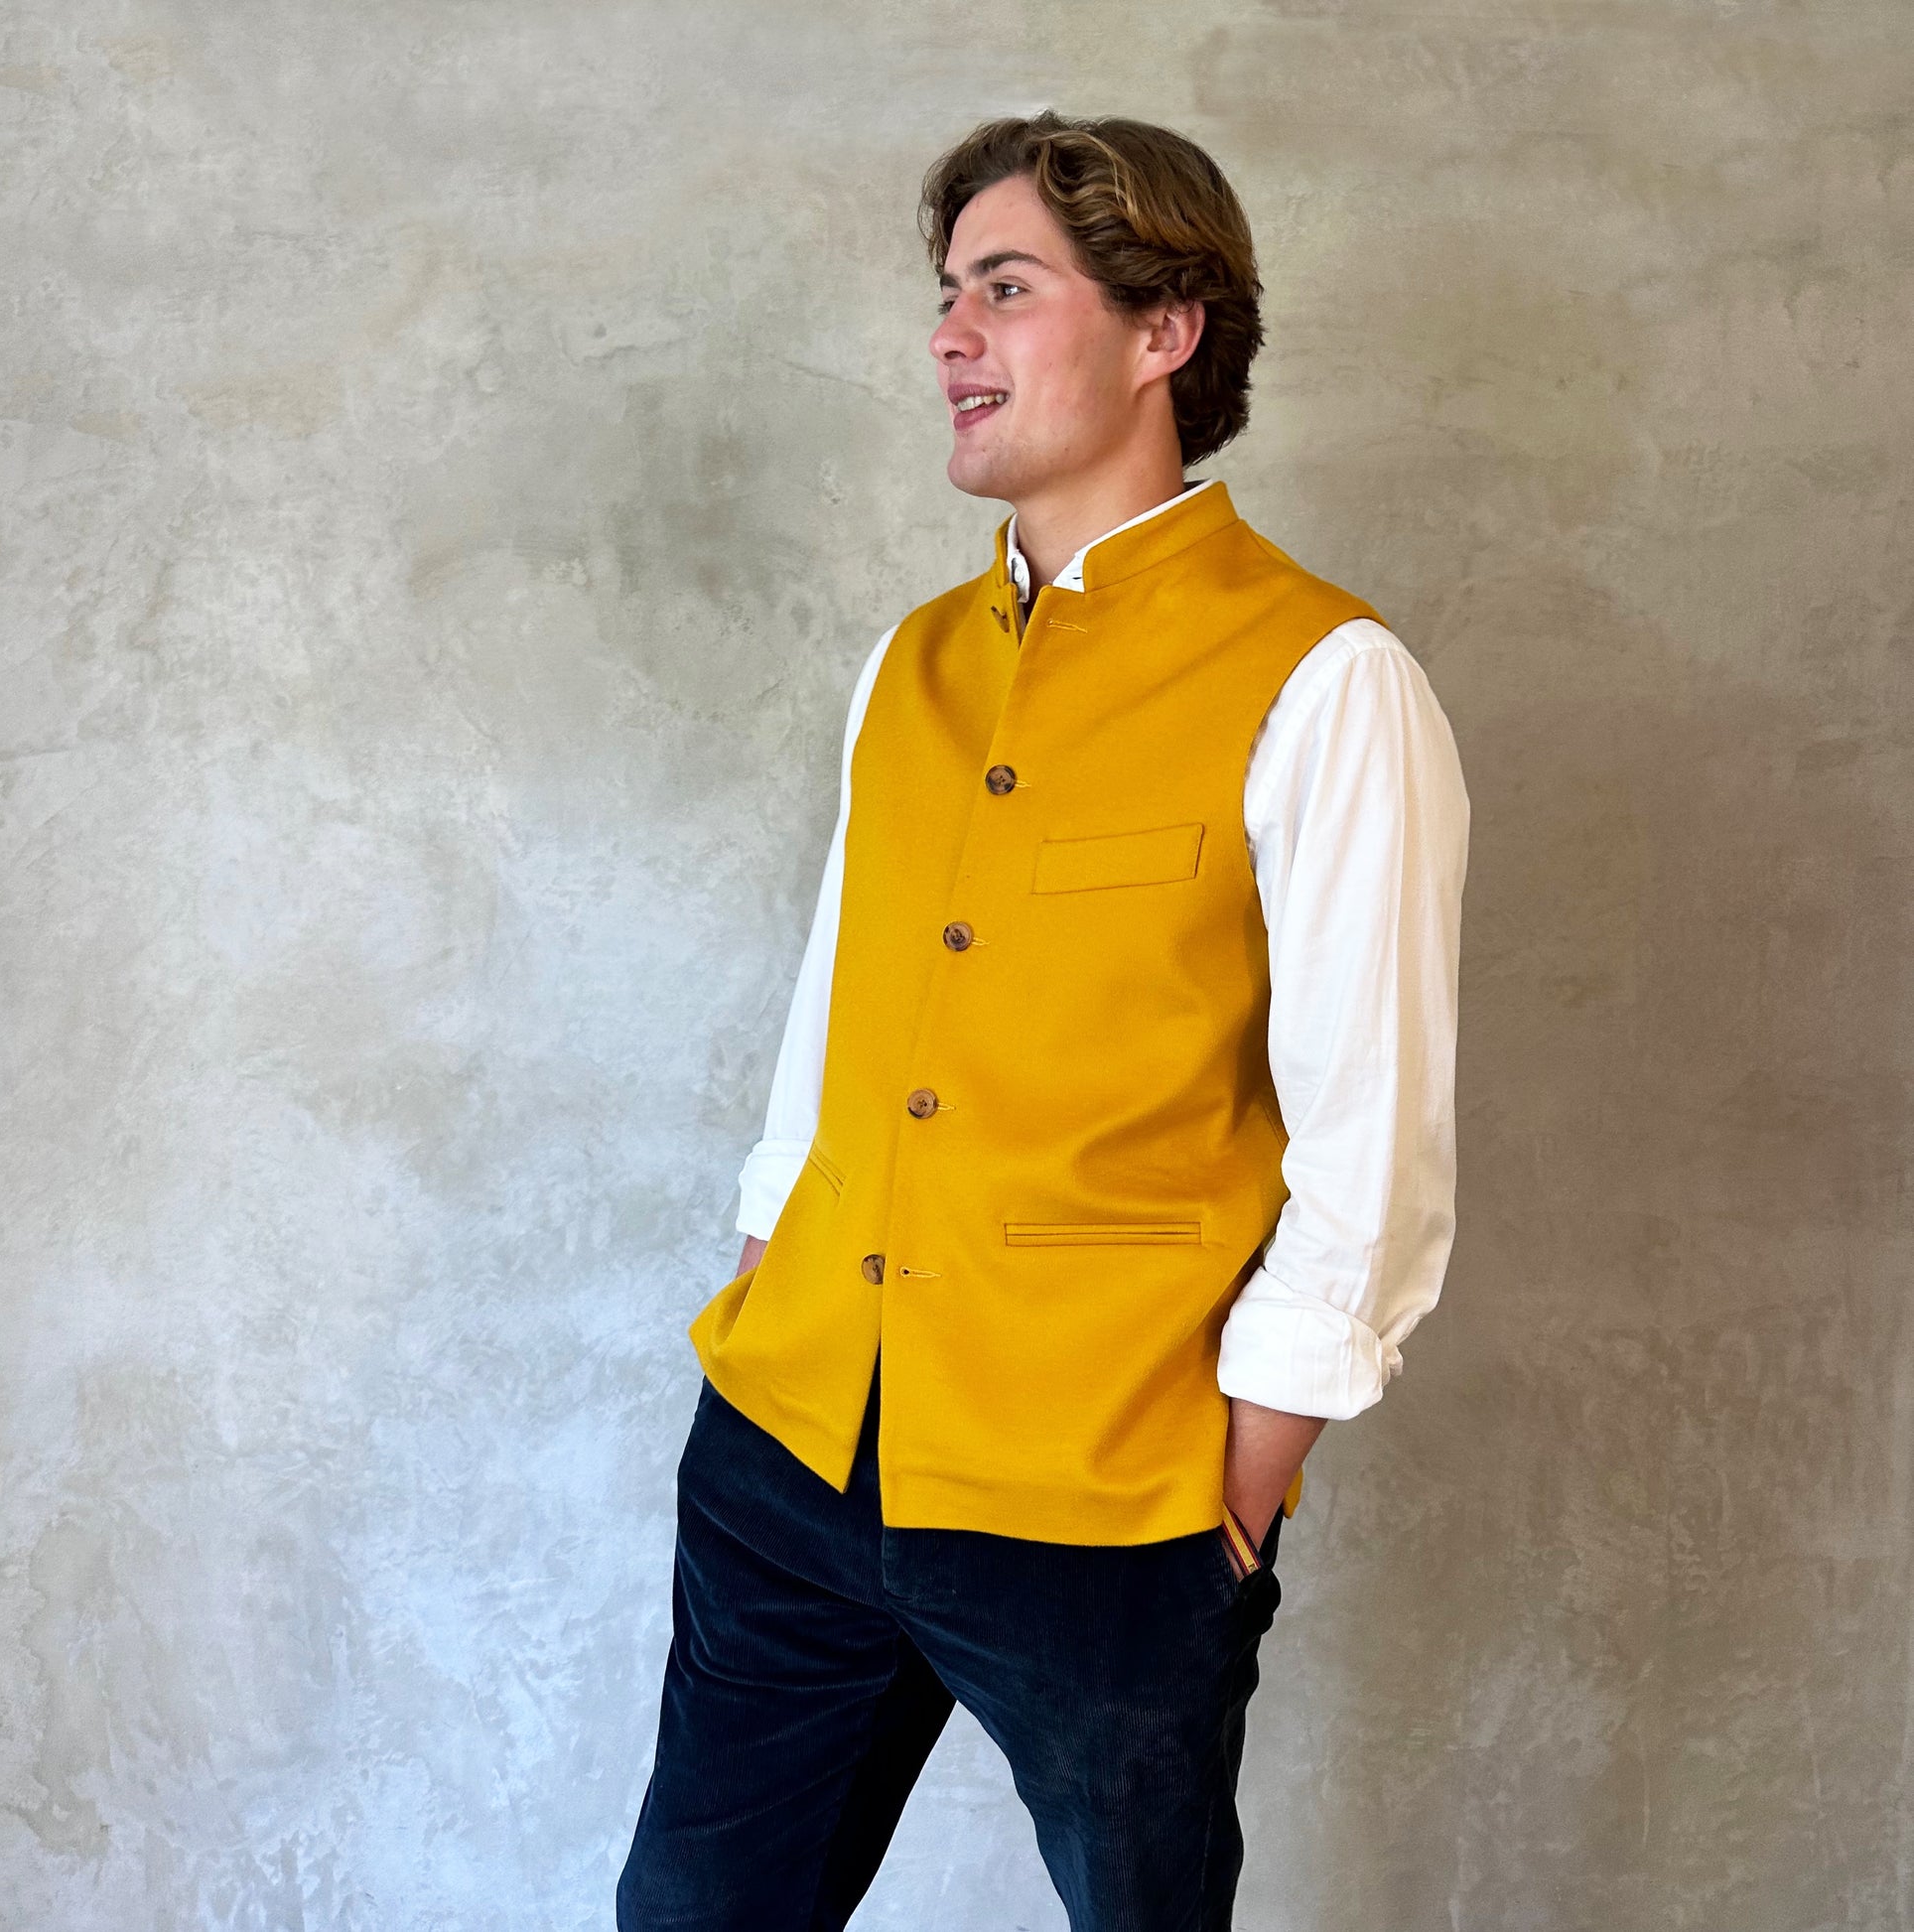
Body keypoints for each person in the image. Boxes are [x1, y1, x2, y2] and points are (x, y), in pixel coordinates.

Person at [617, 110, 1471, 1931]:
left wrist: (1236, 1485)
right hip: (791, 1452)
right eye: (946, 293)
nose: (949, 334)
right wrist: (772, 1261)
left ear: (1165, 327)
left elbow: (1371, 1140)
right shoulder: (909, 662)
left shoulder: (1325, 679)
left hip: (1108, 1499)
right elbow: (833, 1021)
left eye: (1004, 289)